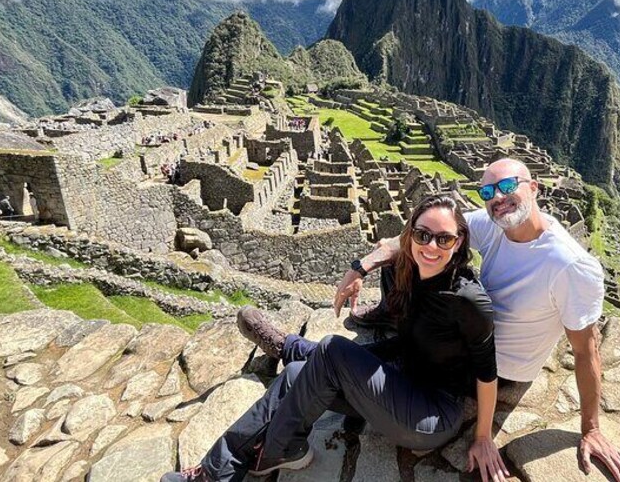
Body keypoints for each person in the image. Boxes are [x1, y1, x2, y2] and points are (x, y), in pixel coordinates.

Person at [162, 195, 504, 482]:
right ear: (410, 235)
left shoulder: (469, 301)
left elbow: (487, 373)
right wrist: (358, 269)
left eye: (443, 239)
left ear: (458, 242)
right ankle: (214, 472)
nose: (431, 246)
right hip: (401, 382)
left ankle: (277, 439)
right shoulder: (415, 266)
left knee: (331, 350)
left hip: (430, 417)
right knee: (297, 375)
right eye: (422, 235)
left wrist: (483, 436)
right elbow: (391, 250)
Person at [336, 158, 620, 482]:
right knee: (417, 248)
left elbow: (585, 350)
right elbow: (408, 237)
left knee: (378, 377)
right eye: (488, 191)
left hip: (492, 366)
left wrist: (591, 428)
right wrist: (361, 267)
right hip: (468, 333)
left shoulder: (569, 265)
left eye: (508, 186)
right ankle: (384, 325)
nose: (498, 197)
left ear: (533, 188)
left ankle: (327, 363)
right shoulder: (495, 222)